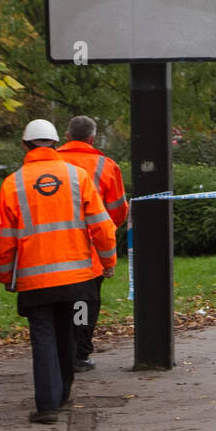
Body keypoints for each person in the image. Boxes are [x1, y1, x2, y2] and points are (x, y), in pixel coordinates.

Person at [0, 119, 117, 424]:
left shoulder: (13, 183)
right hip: (77, 277)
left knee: (43, 336)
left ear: (24, 145)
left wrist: (6, 275)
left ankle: (47, 404)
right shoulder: (78, 176)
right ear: (54, 143)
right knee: (67, 333)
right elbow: (102, 226)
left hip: (35, 279)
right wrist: (108, 262)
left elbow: (6, 239)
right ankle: (62, 392)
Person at [56, 115, 127, 373]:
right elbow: (117, 210)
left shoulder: (50, 163)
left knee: (57, 301)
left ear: (66, 136)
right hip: (89, 250)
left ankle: (59, 348)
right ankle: (79, 351)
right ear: (92, 138)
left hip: (51, 248)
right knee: (83, 303)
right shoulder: (105, 166)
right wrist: (105, 237)